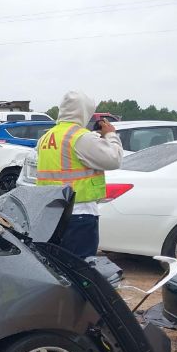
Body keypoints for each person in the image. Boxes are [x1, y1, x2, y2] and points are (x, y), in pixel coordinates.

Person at [36, 90, 123, 258]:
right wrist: (111, 135)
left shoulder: (47, 137)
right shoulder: (80, 137)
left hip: (51, 213)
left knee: (58, 267)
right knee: (80, 269)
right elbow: (114, 159)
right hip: (79, 214)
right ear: (84, 111)